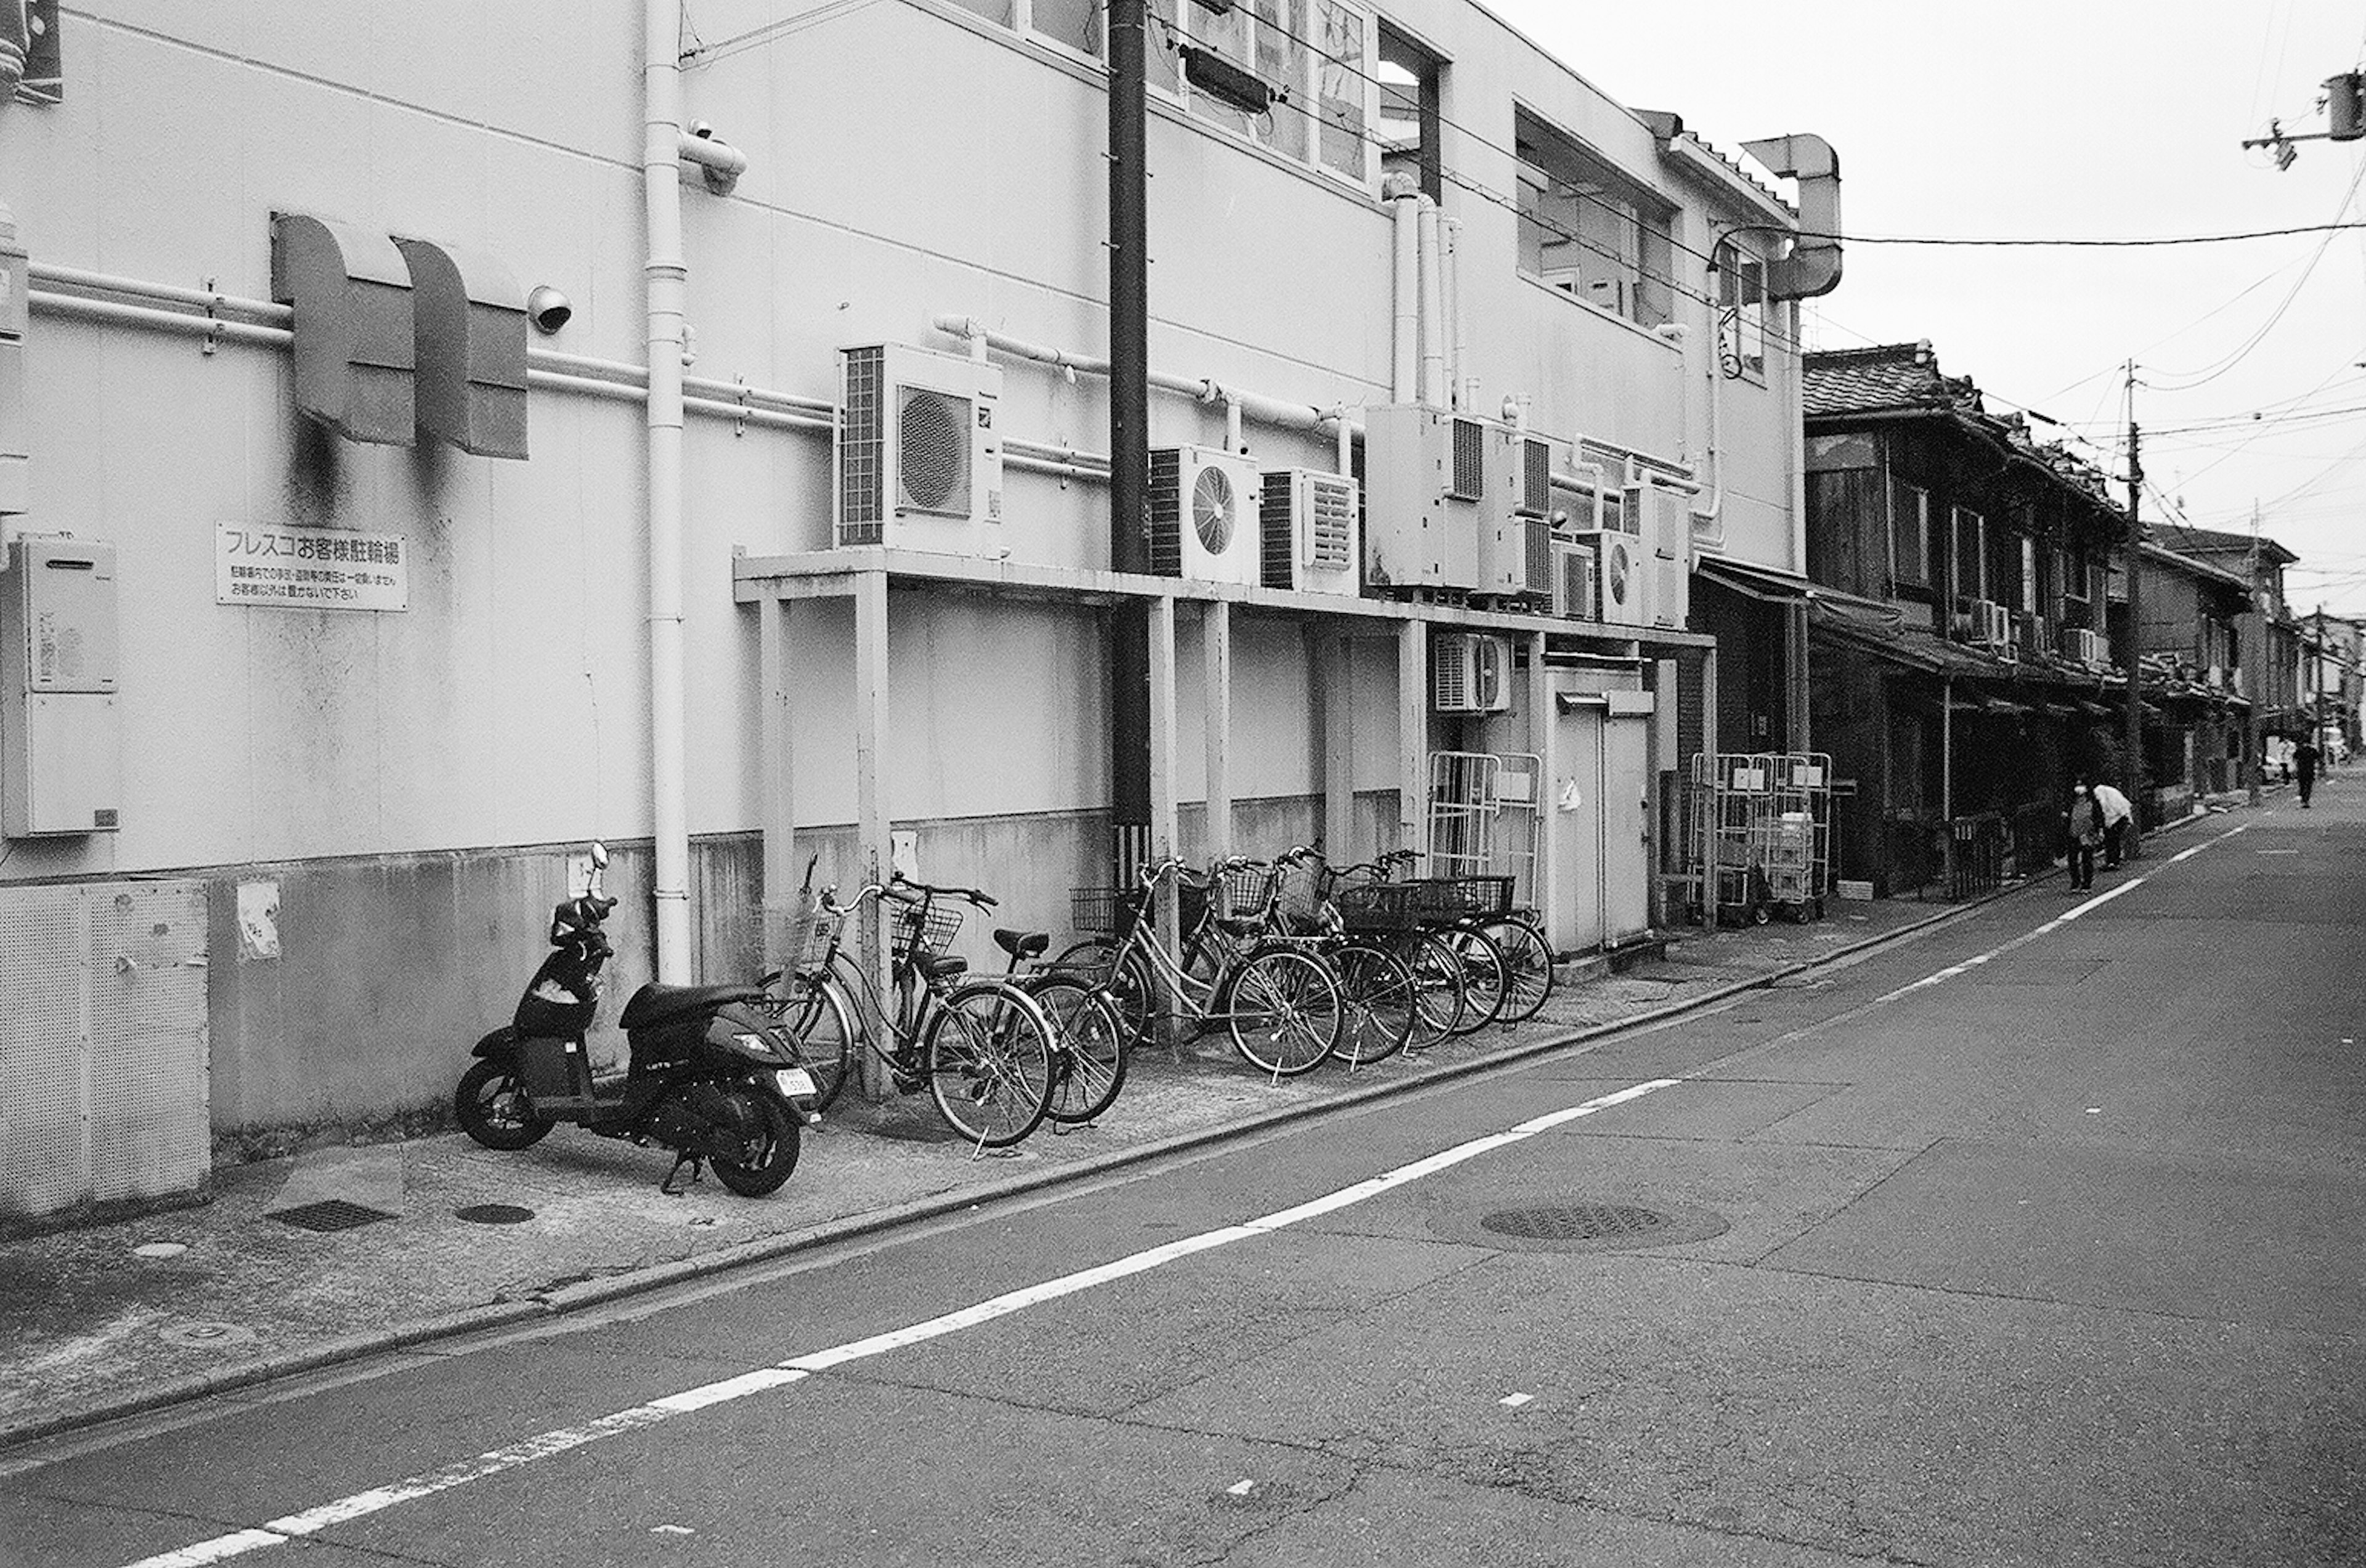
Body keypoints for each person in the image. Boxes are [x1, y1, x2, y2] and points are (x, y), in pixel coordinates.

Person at [2065, 782, 2102, 892]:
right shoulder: (2071, 806)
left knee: (2087, 859)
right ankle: (2075, 882)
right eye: (2078, 796)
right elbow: (2066, 819)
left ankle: (2087, 884)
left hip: (2088, 835)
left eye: (2082, 795)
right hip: (2073, 834)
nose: (2080, 798)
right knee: (2072, 859)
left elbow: (2099, 818)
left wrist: (2099, 831)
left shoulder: (2093, 805)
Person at [2092, 779, 2134, 868]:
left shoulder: (2100, 793)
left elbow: (2104, 806)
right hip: (2121, 816)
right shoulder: (2111, 791)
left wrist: (2102, 825)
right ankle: (2114, 861)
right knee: (2114, 840)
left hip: (2115, 818)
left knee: (2111, 840)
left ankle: (2112, 861)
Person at [2296, 737, 2321, 808]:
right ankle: (2306, 800)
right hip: (2310, 770)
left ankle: (2303, 800)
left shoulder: (2299, 750)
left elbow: (2295, 758)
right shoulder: (2312, 750)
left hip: (2301, 770)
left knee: (2302, 785)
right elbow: (2318, 758)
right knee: (2308, 786)